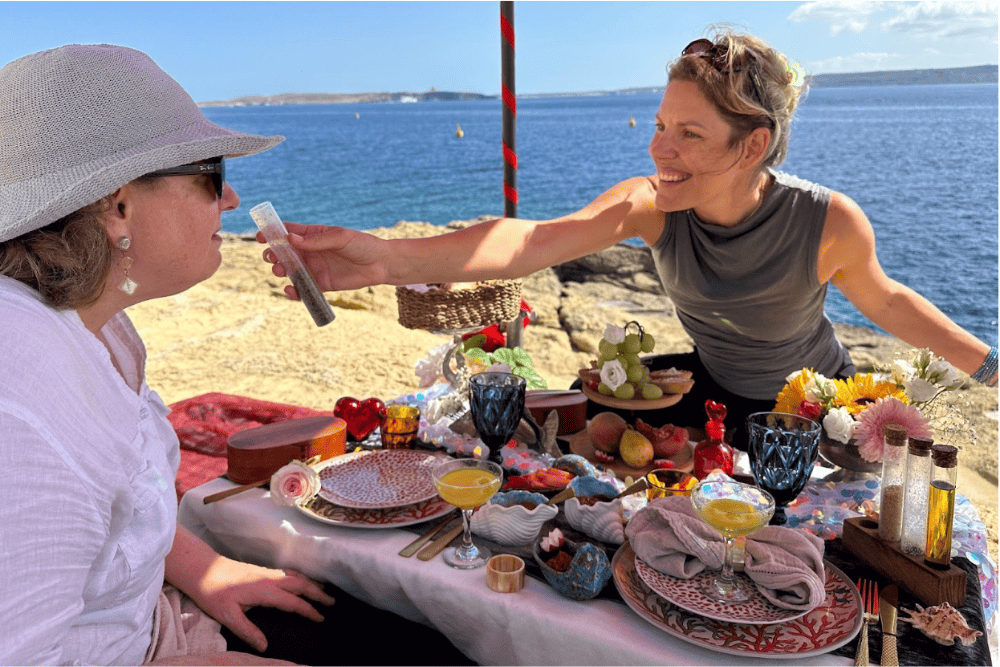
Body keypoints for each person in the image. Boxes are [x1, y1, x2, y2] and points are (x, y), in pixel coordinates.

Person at [259, 28, 997, 449]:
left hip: (813, 408)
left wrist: (990, 370)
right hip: (707, 390)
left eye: (688, 134)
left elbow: (889, 302)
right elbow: (531, 241)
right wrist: (384, 259)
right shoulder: (651, 206)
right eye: (658, 126)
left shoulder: (827, 221)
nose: (658, 151)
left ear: (752, 145)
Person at [0, 45, 472, 667]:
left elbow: (108, 515)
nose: (231, 198)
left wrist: (207, 570)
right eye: (212, 172)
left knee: (430, 640)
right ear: (118, 205)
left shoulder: (97, 327)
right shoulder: (25, 400)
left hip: (158, 625)